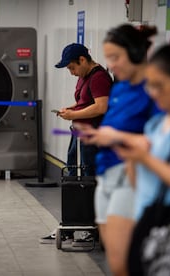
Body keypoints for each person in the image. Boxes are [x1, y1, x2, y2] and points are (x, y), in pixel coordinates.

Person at [80, 44, 170, 275]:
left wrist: (144, 157)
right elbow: (139, 182)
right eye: (150, 85)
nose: (152, 93)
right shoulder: (156, 125)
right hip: (151, 224)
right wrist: (131, 155)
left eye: (159, 85)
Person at [76, 24, 159, 275]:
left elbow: (160, 139)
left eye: (115, 58)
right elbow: (113, 125)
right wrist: (99, 135)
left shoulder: (154, 88)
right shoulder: (121, 87)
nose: (110, 66)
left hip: (130, 175)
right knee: (114, 258)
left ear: (135, 53)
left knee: (126, 260)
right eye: (108, 58)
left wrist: (117, 136)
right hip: (107, 173)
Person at [40, 43, 112, 244]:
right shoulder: (84, 77)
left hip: (92, 138)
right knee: (73, 177)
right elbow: (84, 101)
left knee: (89, 180)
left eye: (72, 67)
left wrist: (74, 114)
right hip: (79, 135)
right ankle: (72, 224)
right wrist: (70, 109)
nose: (72, 73)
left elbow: (101, 107)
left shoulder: (99, 78)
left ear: (82, 59)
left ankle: (91, 226)